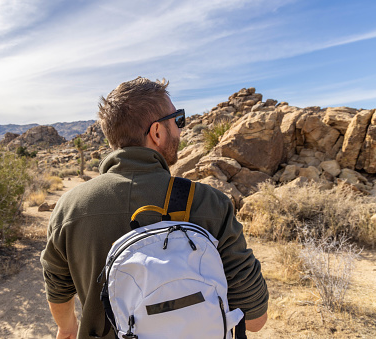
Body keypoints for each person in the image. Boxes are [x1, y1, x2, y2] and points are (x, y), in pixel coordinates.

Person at [41, 77, 268, 339]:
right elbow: (255, 319)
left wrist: (67, 328)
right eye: (178, 120)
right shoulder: (209, 203)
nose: (181, 130)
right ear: (157, 132)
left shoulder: (69, 208)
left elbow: (57, 287)